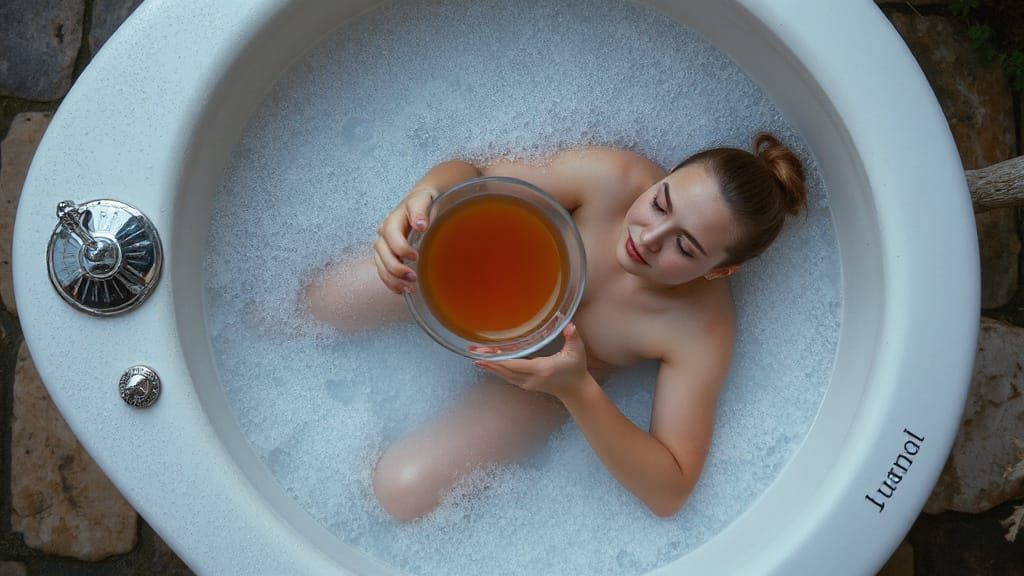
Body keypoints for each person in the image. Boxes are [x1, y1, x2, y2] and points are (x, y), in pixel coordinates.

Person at [304, 133, 806, 521]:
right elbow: (473, 173)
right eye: (660, 203)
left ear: (720, 270)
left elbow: (670, 489)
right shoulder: (612, 177)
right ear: (661, 179)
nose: (649, 237)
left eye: (686, 247)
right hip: (472, 274)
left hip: (544, 383)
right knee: (316, 309)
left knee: (401, 492)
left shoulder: (700, 331)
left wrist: (578, 391)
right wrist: (421, 197)